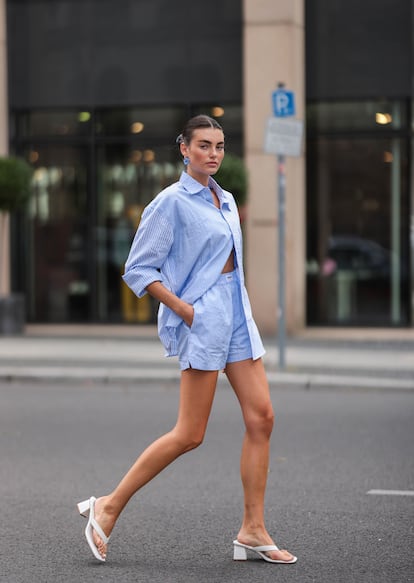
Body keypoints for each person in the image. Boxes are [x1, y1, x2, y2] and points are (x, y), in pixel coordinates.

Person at [77, 114, 297, 566]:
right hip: (204, 315)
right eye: (203, 145)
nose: (213, 153)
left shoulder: (227, 199)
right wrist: (185, 310)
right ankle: (109, 505)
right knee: (189, 433)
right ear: (184, 148)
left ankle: (252, 530)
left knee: (262, 418)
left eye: (219, 145)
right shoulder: (171, 202)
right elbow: (139, 269)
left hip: (238, 311)